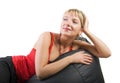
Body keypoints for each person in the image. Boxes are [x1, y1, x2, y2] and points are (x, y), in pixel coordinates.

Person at [0, 9, 111, 83]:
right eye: (65, 19)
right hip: (12, 68)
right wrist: (71, 59)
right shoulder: (47, 37)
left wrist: (87, 31)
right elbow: (41, 73)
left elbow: (106, 53)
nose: (67, 23)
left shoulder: (78, 44)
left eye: (74, 21)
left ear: (80, 30)